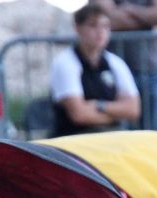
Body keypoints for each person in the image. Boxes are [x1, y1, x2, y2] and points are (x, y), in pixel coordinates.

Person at [50, 4, 141, 137]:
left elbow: (133, 109)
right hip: (74, 140)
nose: (100, 31)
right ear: (78, 28)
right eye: (93, 25)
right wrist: (116, 115)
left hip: (112, 136)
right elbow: (79, 115)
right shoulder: (65, 63)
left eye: (105, 26)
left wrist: (99, 105)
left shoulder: (115, 63)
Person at [88, 0, 157, 130]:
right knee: (119, 132)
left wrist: (129, 9)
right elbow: (110, 20)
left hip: (149, 71)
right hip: (113, 75)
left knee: (156, 135)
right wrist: (146, 18)